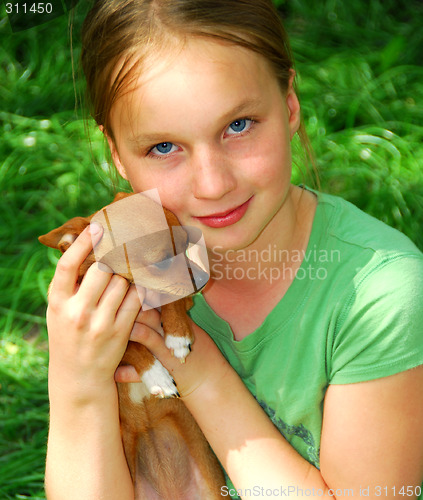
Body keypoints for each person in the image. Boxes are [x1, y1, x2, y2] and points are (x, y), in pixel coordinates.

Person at [44, 1, 423, 499]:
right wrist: (77, 384)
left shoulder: (379, 296)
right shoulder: (121, 274)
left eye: (238, 125)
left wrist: (197, 371)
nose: (213, 184)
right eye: (163, 147)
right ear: (116, 151)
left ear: (289, 106)